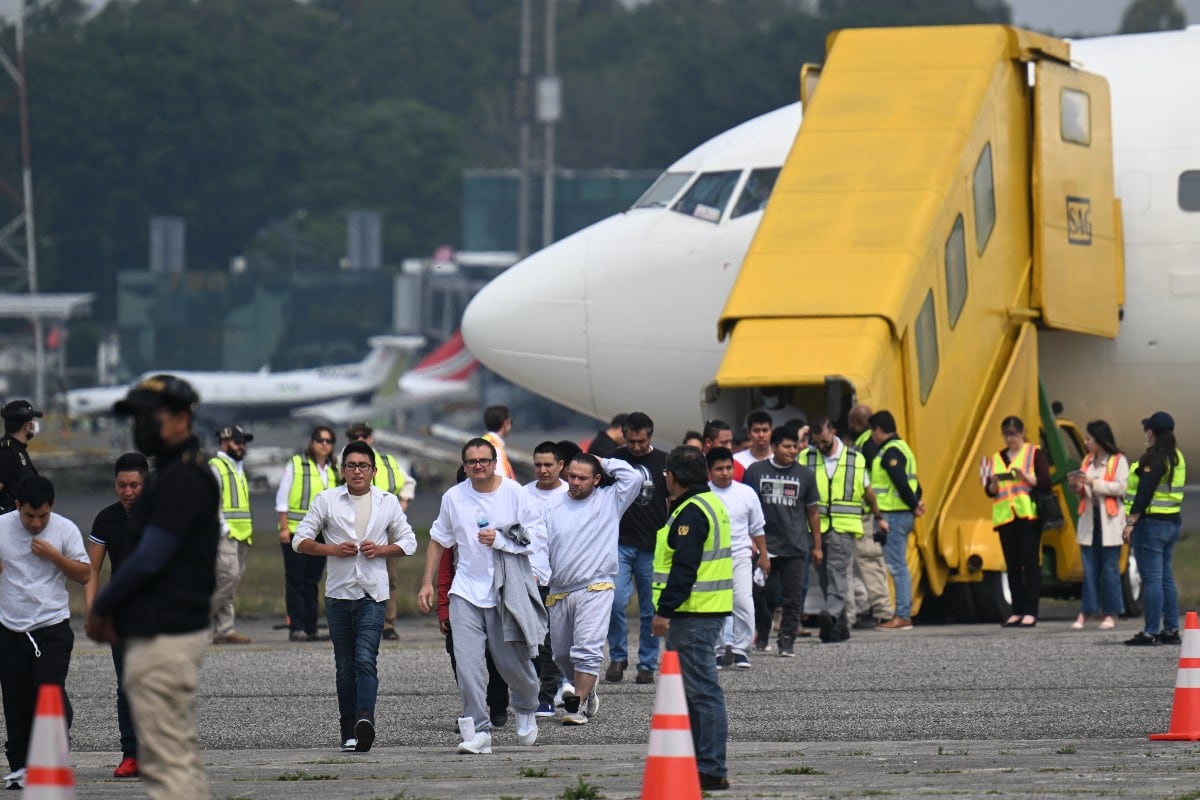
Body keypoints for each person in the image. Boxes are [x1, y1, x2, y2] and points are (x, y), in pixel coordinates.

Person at [86, 374, 220, 800]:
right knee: (173, 755)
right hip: (157, 626)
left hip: (168, 629)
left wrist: (102, 604)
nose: (142, 424)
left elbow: (151, 556)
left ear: (182, 418)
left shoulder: (183, 478)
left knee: (166, 761)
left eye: (151, 415)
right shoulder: (167, 479)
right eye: (137, 416)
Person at [417, 437, 546, 755]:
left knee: (510, 662)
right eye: (472, 461)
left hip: (504, 590)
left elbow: (537, 535)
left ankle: (527, 706)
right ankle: (479, 730)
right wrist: (427, 584)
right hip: (465, 592)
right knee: (468, 665)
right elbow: (438, 541)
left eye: (484, 460)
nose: (478, 466)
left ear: (494, 462)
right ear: (464, 465)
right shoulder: (453, 497)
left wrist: (501, 537)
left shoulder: (514, 493)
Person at [293, 439, 417, 752]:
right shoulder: (327, 500)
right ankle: (348, 729)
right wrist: (331, 549)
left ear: (374, 471)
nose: (357, 471)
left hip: (373, 594)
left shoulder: (387, 501)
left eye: (363, 466)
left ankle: (365, 721)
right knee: (344, 666)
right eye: (351, 466)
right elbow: (299, 540)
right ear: (342, 470)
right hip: (338, 593)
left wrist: (383, 549)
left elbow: (410, 541)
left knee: (365, 660)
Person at [651, 446, 733, 792]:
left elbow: (684, 569)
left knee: (702, 692)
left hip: (694, 614)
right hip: (702, 611)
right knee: (698, 691)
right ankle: (704, 764)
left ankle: (711, 768)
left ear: (674, 476)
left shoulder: (691, 511)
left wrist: (664, 611)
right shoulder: (708, 503)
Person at [0, 477, 90, 790]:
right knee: (15, 699)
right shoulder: (2, 527)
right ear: (17, 507)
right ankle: (22, 767)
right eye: (29, 516)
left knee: (48, 690)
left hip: (52, 626)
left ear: (52, 508)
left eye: (43, 515)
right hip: (11, 628)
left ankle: (53, 752)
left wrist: (55, 556)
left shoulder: (65, 529)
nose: (36, 523)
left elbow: (84, 573)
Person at [543, 453, 639, 724]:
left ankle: (577, 706)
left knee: (586, 649)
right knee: (562, 654)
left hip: (596, 585)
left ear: (597, 479)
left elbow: (634, 477)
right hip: (560, 589)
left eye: (582, 478)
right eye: (571, 476)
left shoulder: (610, 499)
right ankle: (587, 688)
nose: (575, 482)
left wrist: (604, 460)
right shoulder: (552, 506)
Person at [84, 452, 149, 779]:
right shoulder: (106, 519)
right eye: (122, 485)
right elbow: (92, 569)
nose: (128, 492)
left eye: (135, 485)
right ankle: (131, 753)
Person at [803, 417, 888, 643]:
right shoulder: (806, 457)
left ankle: (830, 614)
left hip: (843, 527)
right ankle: (838, 627)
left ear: (833, 431)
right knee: (824, 577)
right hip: (815, 528)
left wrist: (879, 517)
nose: (821, 446)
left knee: (837, 573)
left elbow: (868, 491)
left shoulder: (855, 459)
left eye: (824, 441)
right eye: (817, 442)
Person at [743, 426, 822, 656]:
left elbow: (813, 512)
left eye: (795, 446)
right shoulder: (755, 471)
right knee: (764, 595)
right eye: (787, 446)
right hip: (765, 546)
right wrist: (752, 541)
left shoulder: (805, 474)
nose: (792, 450)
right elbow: (747, 508)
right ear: (774, 447)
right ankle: (764, 631)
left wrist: (816, 546)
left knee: (792, 597)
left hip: (795, 547)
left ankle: (787, 640)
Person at [605, 412, 668, 685]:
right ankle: (618, 656)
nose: (637, 447)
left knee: (649, 608)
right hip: (619, 543)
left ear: (650, 437)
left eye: (641, 442)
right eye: (632, 441)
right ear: (624, 435)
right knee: (614, 601)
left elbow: (672, 499)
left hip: (652, 546)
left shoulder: (664, 461)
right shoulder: (615, 460)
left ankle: (647, 663)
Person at [345, 422, 417, 643]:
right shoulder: (344, 464)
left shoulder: (386, 461)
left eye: (363, 435)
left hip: (385, 527)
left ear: (371, 438)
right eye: (354, 436)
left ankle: (387, 624)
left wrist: (402, 504)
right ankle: (355, 622)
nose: (360, 439)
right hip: (354, 526)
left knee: (389, 576)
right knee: (352, 576)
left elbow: (408, 482)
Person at [1124, 411, 1186, 646]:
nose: (1145, 434)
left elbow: (1144, 492)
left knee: (1151, 579)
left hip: (1152, 526)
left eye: (1146, 429)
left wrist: (1131, 523)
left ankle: (1151, 632)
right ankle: (1171, 630)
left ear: (1152, 432)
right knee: (1166, 578)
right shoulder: (1177, 456)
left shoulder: (1154, 457)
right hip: (1172, 524)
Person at [983, 415, 1050, 628]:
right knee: (1012, 565)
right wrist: (992, 486)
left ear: (1022, 433)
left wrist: (1025, 477)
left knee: (1031, 564)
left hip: (1028, 516)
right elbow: (990, 490)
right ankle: (1017, 611)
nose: (1009, 439)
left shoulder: (1034, 453)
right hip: (1005, 517)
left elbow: (1045, 483)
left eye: (1013, 434)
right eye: (1006, 435)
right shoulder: (997, 457)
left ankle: (1031, 611)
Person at [276, 425, 340, 641]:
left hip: (320, 534)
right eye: (320, 440)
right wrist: (284, 527)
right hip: (296, 531)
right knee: (295, 579)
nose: (324, 444)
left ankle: (311, 626)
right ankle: (297, 626)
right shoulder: (296, 464)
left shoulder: (333, 469)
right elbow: (282, 497)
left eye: (329, 441)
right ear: (312, 442)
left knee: (312, 580)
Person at [707, 447, 767, 669]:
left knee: (743, 602)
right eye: (719, 469)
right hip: (711, 559)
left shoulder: (746, 493)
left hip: (741, 555)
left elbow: (758, 527)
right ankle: (718, 650)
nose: (725, 473)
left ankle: (741, 650)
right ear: (709, 471)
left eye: (728, 468)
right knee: (715, 606)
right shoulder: (703, 494)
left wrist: (764, 556)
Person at [867, 410, 926, 631]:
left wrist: (912, 505)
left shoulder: (890, 451)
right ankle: (901, 613)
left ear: (879, 430)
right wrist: (916, 503)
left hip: (894, 514)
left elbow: (901, 482)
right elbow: (915, 484)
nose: (872, 435)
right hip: (903, 513)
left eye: (872, 430)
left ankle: (902, 615)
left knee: (897, 566)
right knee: (898, 565)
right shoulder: (903, 448)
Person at [1068, 420, 1128, 631]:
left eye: (1088, 439)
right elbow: (1084, 490)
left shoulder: (1118, 460)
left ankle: (1111, 612)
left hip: (1109, 521)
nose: (1085, 442)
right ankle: (1087, 610)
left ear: (1100, 439)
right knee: (1090, 569)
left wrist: (1094, 483)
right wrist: (1077, 486)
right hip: (1089, 519)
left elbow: (1121, 487)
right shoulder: (1087, 461)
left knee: (1109, 569)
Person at [525, 441, 569, 717]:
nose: (542, 470)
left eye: (548, 465)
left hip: (563, 579)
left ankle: (548, 694)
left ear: (560, 465)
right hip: (530, 578)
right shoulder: (522, 494)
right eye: (538, 465)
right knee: (533, 641)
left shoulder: (570, 494)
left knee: (553, 641)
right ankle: (542, 688)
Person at [844, 404, 893, 630]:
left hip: (862, 514)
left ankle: (882, 611)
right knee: (864, 563)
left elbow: (867, 486)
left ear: (854, 422)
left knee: (867, 561)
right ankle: (870, 608)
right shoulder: (868, 444)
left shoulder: (863, 446)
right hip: (864, 514)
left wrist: (877, 514)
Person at [210, 424, 254, 644]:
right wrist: (224, 528)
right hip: (225, 534)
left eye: (243, 443)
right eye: (237, 442)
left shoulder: (237, 467)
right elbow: (212, 502)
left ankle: (224, 629)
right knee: (229, 578)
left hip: (243, 534)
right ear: (224, 442)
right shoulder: (216, 466)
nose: (241, 446)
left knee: (229, 583)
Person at [0, 399, 42, 514]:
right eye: (33, 421)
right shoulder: (6, 452)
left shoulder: (18, 450)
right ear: (27, 426)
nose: (35, 425)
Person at [482, 405, 516, 480]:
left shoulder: (484, 442)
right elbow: (501, 480)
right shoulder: (494, 447)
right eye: (511, 422)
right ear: (506, 423)